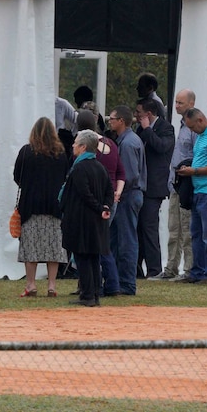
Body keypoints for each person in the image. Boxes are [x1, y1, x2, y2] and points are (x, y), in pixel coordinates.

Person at [13, 117, 70, 298]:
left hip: (30, 206)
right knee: (54, 248)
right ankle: (51, 285)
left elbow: (17, 177)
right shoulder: (61, 153)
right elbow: (65, 177)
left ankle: (31, 285)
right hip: (55, 206)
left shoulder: (26, 152)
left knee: (31, 248)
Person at [61, 130, 114, 307]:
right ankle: (94, 294)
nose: (73, 146)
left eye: (76, 143)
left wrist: (99, 207)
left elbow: (84, 193)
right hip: (97, 220)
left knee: (83, 257)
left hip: (81, 219)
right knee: (94, 257)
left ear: (83, 147)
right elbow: (109, 191)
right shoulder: (101, 167)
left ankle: (87, 295)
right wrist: (105, 207)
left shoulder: (79, 168)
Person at [176, 108, 207, 284]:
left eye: (192, 127)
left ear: (200, 120)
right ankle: (197, 272)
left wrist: (195, 171)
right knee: (196, 234)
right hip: (199, 191)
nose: (192, 131)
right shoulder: (202, 136)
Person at [76, 110, 124, 297]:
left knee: (93, 245)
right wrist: (117, 193)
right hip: (110, 198)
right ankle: (110, 283)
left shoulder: (85, 148)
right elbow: (121, 172)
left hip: (94, 201)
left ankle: (94, 286)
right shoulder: (110, 144)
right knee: (103, 243)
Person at [151, 89, 197, 281]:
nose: (176, 106)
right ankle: (171, 267)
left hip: (187, 183)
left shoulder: (194, 128)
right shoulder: (180, 125)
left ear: (191, 104)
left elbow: (197, 156)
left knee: (186, 228)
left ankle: (189, 269)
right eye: (176, 102)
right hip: (175, 184)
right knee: (173, 228)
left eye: (181, 103)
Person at [107, 105, 146, 295]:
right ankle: (116, 281)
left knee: (127, 240)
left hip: (128, 195)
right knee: (117, 240)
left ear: (121, 120)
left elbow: (129, 175)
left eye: (112, 119)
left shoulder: (128, 144)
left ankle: (127, 284)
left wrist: (117, 191)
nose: (110, 121)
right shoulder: (128, 140)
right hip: (129, 195)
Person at [134, 97, 175, 279]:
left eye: (139, 113)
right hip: (140, 184)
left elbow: (161, 147)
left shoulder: (166, 128)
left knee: (149, 227)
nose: (136, 116)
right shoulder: (140, 129)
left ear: (148, 114)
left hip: (154, 186)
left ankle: (154, 269)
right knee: (138, 227)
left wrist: (148, 130)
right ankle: (136, 268)